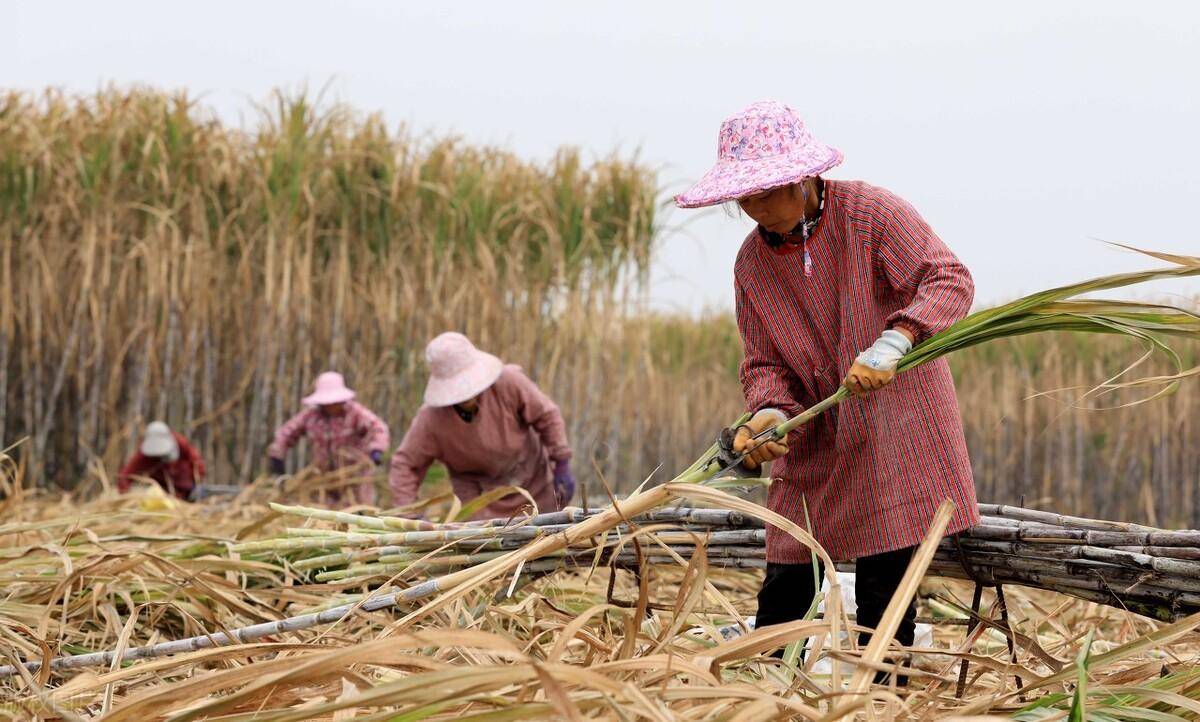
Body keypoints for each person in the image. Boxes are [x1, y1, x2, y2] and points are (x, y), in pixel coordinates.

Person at [675, 101, 978, 675]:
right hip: (816, 439)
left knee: (884, 609)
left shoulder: (870, 214)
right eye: (746, 197)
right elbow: (763, 362)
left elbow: (947, 278)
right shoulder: (752, 265)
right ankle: (763, 698)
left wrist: (897, 340)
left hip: (896, 433)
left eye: (768, 192)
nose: (756, 208)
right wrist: (765, 413)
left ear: (804, 177)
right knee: (785, 584)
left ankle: (878, 699)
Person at [389, 332, 575, 520]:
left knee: (547, 539)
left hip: (534, 484)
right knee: (492, 545)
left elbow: (547, 415)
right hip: (478, 501)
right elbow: (405, 464)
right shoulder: (432, 419)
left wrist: (562, 463)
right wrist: (411, 515)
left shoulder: (508, 383)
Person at [268, 371, 390, 507]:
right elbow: (287, 432)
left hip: (354, 479)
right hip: (323, 479)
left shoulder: (355, 413)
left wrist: (376, 450)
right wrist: (277, 455)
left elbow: (379, 429)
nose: (331, 405)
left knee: (357, 514)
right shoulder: (311, 416)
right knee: (325, 516)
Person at [118, 421, 206, 501]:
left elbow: (197, 461)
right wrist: (125, 497)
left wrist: (197, 483)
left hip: (185, 484)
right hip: (161, 489)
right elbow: (126, 475)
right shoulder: (143, 454)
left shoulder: (180, 443)